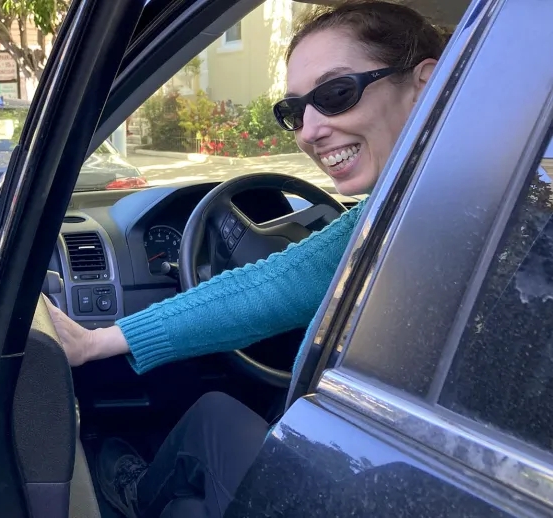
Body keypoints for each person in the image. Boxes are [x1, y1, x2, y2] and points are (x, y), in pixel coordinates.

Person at [43, 2, 446, 517]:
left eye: (336, 95)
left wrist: (97, 339)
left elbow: (270, 286)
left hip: (380, 492)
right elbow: (278, 283)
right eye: (295, 112)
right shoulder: (434, 204)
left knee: (209, 418)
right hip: (396, 474)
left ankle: (134, 495)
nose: (310, 131)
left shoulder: (424, 214)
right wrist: (99, 341)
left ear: (426, 84)